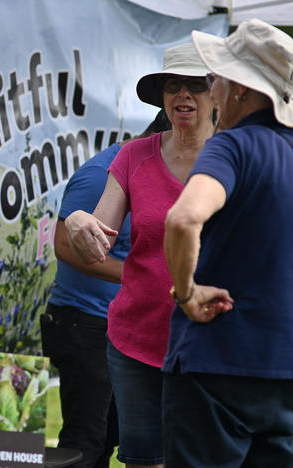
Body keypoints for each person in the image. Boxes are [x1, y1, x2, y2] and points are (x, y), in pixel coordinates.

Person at [64, 42, 215, 468]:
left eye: (196, 85)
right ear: (162, 97)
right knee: (143, 461)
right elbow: (96, 237)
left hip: (211, 341)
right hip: (137, 342)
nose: (183, 94)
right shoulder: (134, 156)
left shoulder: (235, 155)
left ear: (215, 93)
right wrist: (77, 222)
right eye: (173, 85)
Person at [163, 19, 293, 466]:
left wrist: (187, 293)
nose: (211, 90)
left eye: (215, 79)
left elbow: (183, 219)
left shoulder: (232, 146)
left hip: (215, 363)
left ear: (240, 89)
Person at [42, 109, 170, 468]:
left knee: (115, 437)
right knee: (86, 440)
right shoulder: (102, 174)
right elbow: (66, 247)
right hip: (85, 325)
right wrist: (142, 275)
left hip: (120, 328)